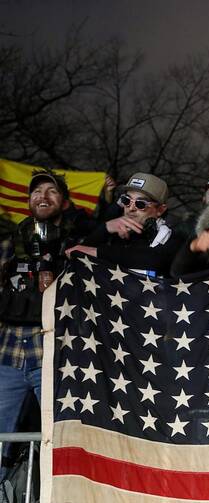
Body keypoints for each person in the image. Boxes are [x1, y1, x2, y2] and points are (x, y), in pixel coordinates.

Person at [0, 170, 94, 477]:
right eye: (36, 191)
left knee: (59, 440)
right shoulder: (9, 246)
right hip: (8, 356)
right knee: (1, 441)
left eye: (51, 191)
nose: (43, 195)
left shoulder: (76, 248)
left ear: (64, 202)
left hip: (55, 357)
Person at [66, 172, 183, 278]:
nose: (130, 209)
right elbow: (76, 255)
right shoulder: (111, 233)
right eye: (126, 201)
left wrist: (98, 252)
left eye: (140, 204)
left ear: (160, 210)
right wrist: (104, 229)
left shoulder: (172, 238)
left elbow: (157, 260)